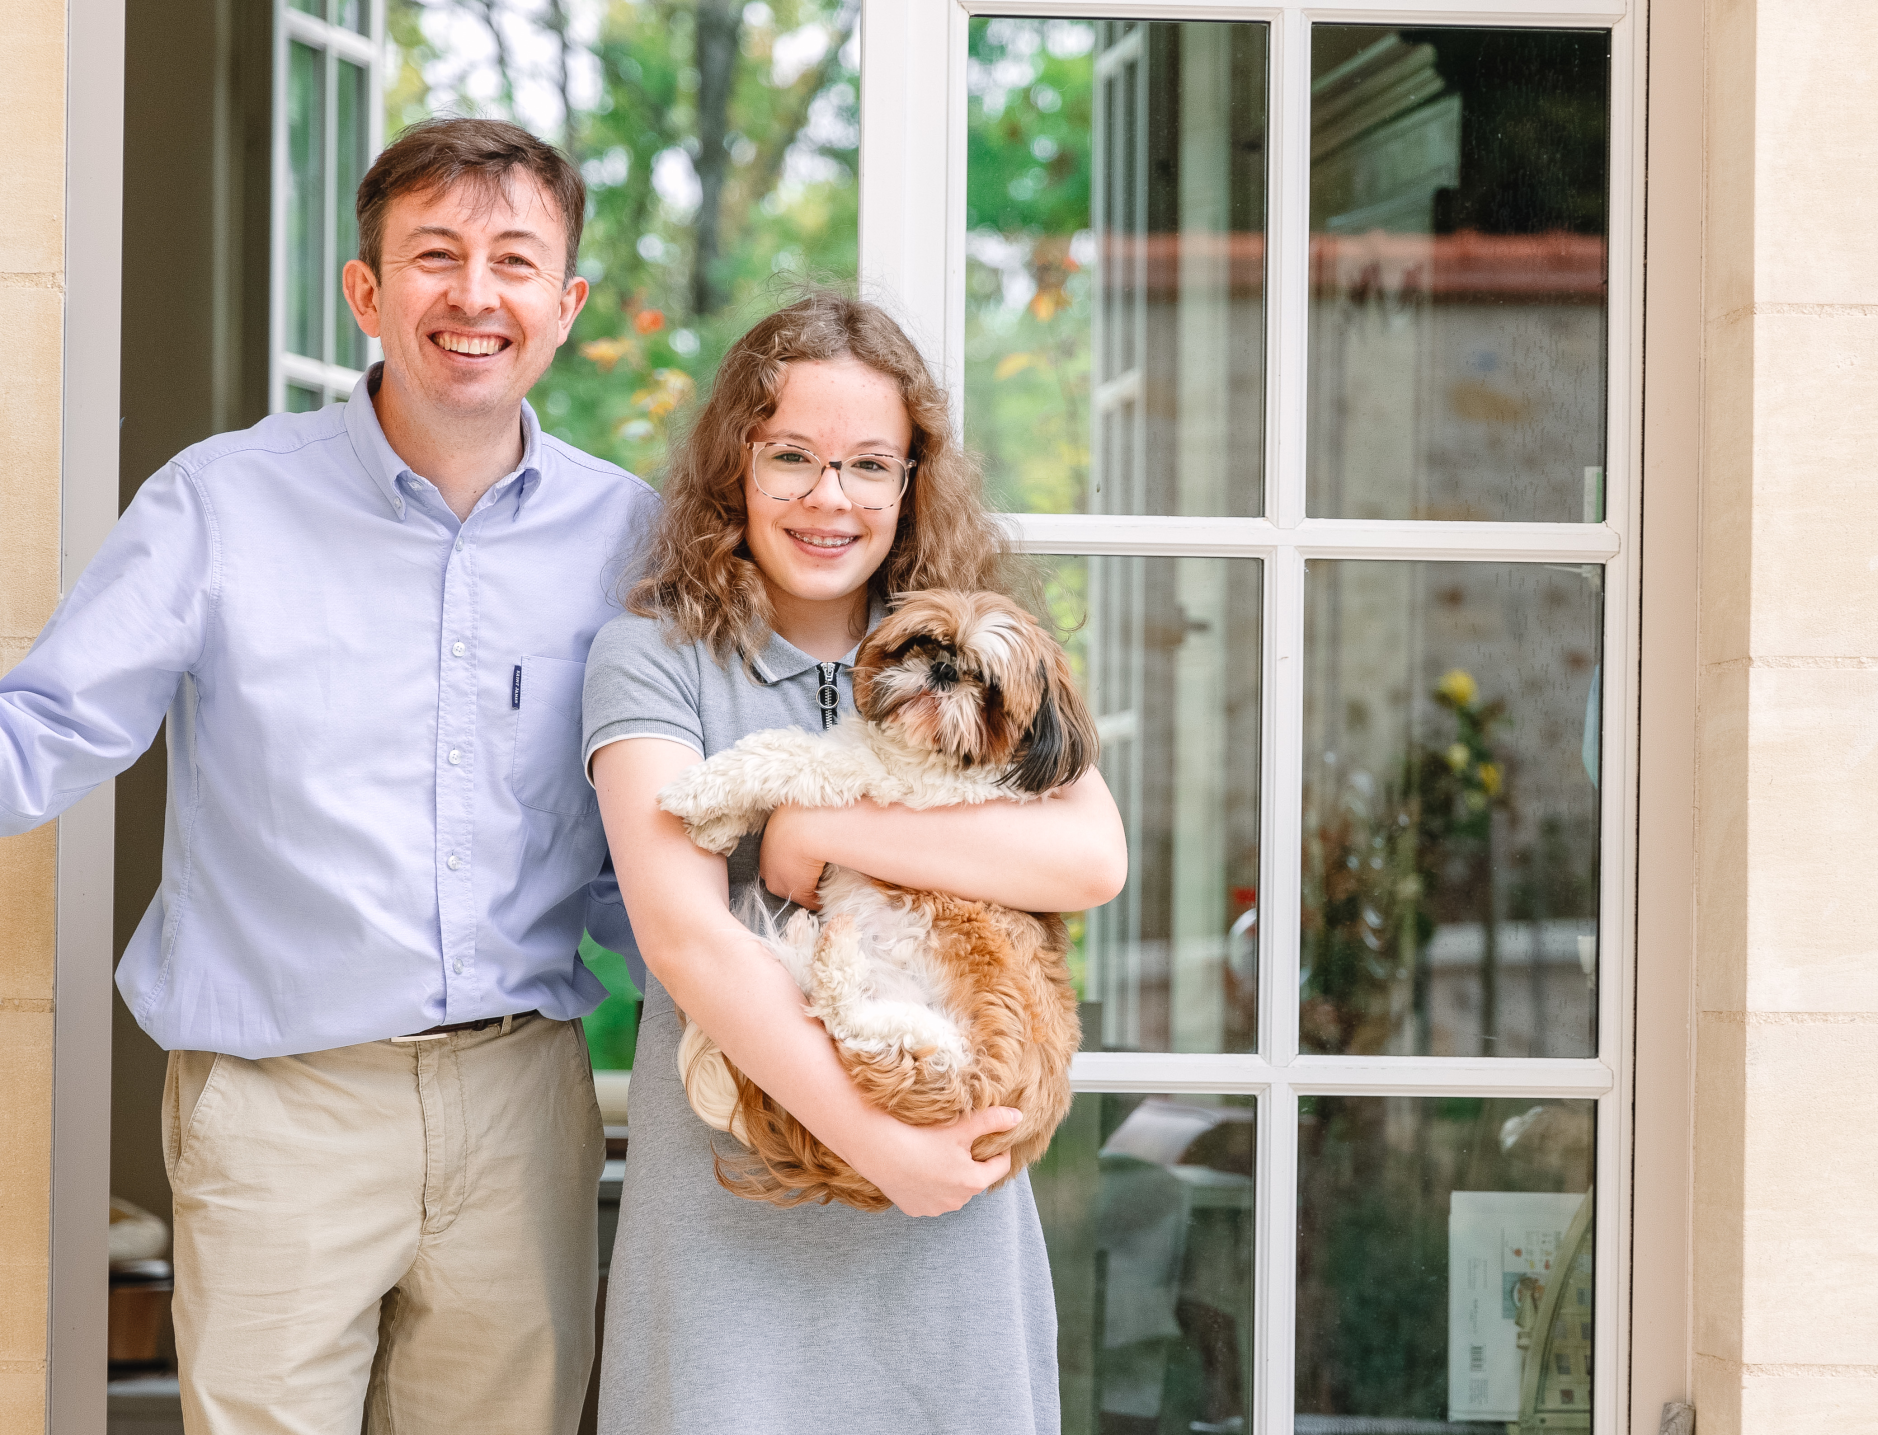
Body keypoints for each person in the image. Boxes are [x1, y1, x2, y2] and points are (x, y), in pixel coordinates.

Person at [0, 119, 653, 1434]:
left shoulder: (629, 533)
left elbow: (647, 830)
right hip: (281, 1108)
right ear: (366, 291)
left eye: (516, 261)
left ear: (566, 303)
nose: (476, 294)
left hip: (524, 1103)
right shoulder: (217, 505)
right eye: (435, 255)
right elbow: (44, 728)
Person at [585, 291, 1130, 1434]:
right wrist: (882, 1145)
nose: (830, 499)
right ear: (736, 465)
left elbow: (1089, 856)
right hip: (739, 1216)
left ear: (911, 481)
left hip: (951, 1212)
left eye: (869, 465)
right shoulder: (654, 658)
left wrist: (822, 829)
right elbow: (683, 935)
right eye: (792, 456)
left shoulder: (975, 645)